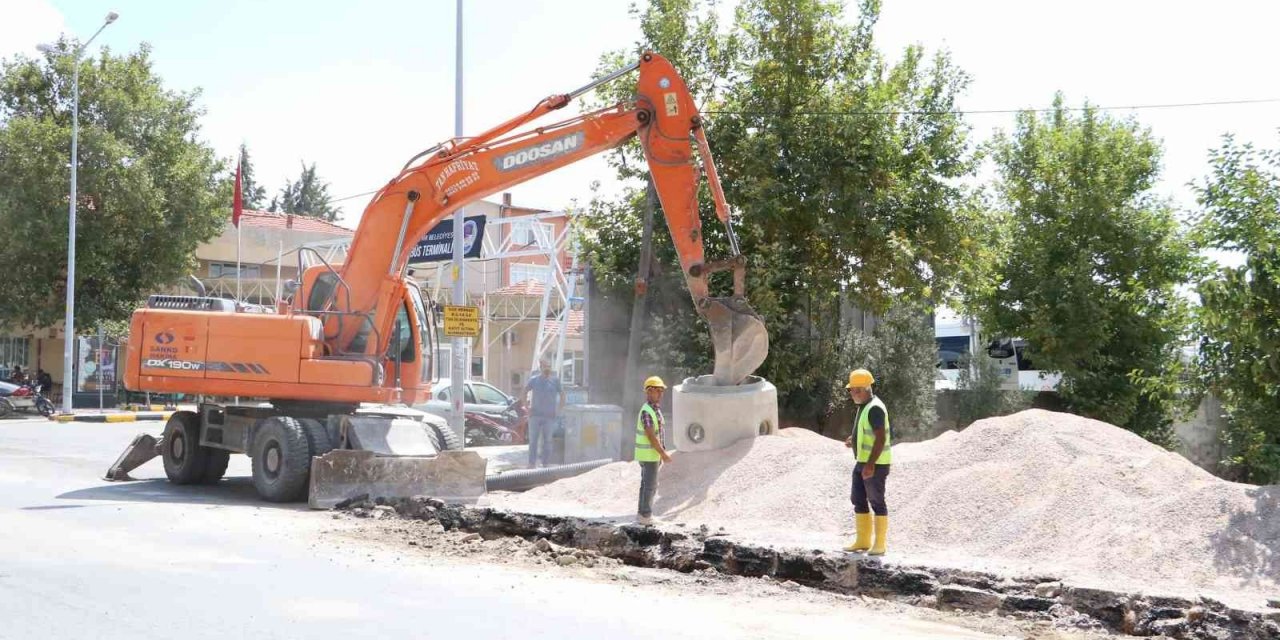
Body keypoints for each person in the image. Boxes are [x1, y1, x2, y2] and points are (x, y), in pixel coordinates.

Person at [842, 368, 892, 555]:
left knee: (877, 501)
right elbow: (868, 433)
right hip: (862, 462)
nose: (851, 393)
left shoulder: (875, 408)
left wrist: (870, 464)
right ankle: (863, 540)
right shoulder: (865, 406)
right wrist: (853, 440)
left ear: (862, 389)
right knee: (858, 499)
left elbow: (880, 439)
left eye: (853, 390)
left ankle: (879, 544)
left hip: (875, 464)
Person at [635, 376, 672, 524]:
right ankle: (645, 516)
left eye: (662, 390)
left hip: (652, 455)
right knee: (650, 486)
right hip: (649, 455)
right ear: (649, 391)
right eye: (658, 390)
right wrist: (663, 454)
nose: (661, 394)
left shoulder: (654, 410)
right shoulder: (647, 411)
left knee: (646, 485)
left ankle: (642, 514)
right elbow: (651, 436)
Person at [523, 359, 565, 468]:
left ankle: (545, 463)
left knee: (548, 441)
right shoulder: (534, 380)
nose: (548, 369)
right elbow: (524, 392)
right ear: (540, 368)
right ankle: (531, 463)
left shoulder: (555, 381)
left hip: (549, 417)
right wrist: (527, 408)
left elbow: (562, 395)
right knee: (533, 441)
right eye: (545, 366)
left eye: (549, 366)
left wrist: (558, 410)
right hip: (535, 416)